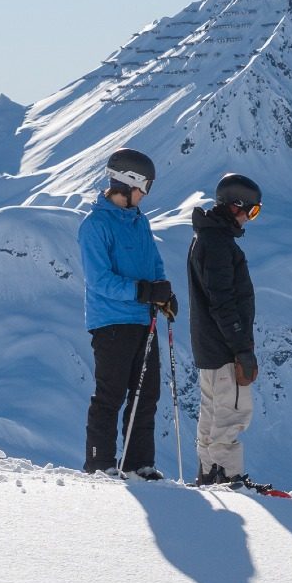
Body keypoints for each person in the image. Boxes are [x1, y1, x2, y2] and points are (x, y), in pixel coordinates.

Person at [79, 147, 175, 478]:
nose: (145, 195)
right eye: (144, 187)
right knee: (111, 394)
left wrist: (162, 292)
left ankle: (138, 465)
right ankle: (99, 463)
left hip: (142, 320)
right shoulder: (95, 226)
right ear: (128, 182)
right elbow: (100, 280)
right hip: (111, 322)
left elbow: (153, 264)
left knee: (145, 395)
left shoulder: (138, 222)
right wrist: (141, 291)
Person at [189, 173, 263, 489]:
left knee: (212, 412)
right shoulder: (217, 244)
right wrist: (241, 347)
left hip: (208, 347)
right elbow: (223, 301)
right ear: (236, 205)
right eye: (252, 210)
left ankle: (209, 472)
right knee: (231, 413)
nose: (250, 218)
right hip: (224, 348)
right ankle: (225, 475)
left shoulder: (206, 238)